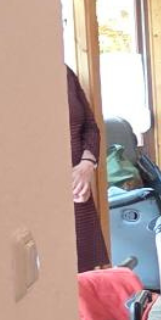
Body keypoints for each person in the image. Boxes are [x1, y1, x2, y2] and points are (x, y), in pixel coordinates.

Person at [66, 65, 110, 273]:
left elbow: (91, 126)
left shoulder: (65, 72)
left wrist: (86, 164)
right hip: (44, 190)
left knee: (85, 273)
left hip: (79, 187)